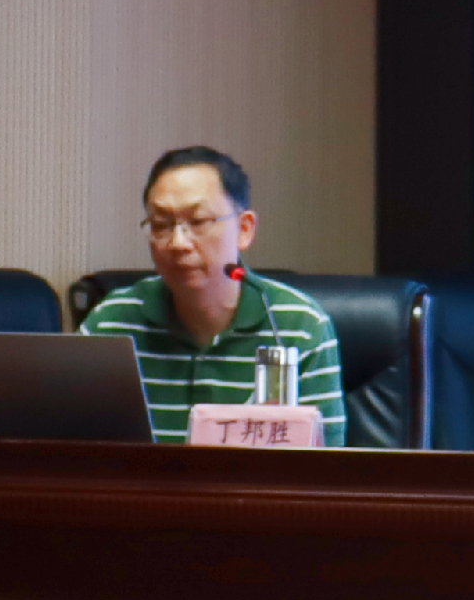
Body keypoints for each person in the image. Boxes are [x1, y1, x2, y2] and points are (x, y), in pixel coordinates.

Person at [80, 146, 346, 445]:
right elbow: (73, 449)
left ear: (244, 229)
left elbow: (325, 464)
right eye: (161, 225)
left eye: (198, 222)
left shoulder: (300, 326)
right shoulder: (111, 323)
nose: (178, 243)